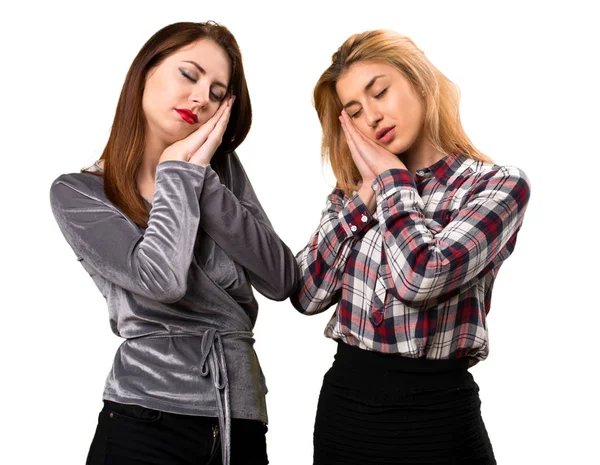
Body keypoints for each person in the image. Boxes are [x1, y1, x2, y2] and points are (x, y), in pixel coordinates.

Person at [49, 21, 297, 465]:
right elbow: (162, 281)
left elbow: (280, 279)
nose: (201, 97)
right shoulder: (80, 193)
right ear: (145, 72)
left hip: (239, 419)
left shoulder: (220, 173)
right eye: (189, 75)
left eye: (218, 92)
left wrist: (202, 180)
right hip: (145, 419)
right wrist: (178, 176)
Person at [291, 29, 531, 465]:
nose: (372, 117)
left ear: (419, 83)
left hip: (438, 420)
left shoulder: (496, 186)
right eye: (355, 111)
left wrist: (393, 181)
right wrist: (364, 198)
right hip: (346, 414)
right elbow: (306, 294)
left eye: (380, 92)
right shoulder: (349, 196)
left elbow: (421, 277)